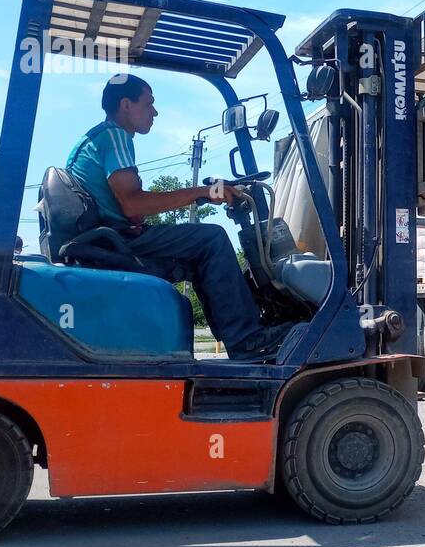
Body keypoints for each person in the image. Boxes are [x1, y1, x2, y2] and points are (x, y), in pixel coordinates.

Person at [66, 73, 290, 361]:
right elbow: (133, 203)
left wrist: (199, 193)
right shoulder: (114, 135)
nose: (155, 112)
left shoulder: (97, 140)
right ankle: (246, 338)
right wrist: (204, 192)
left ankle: (241, 339)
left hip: (107, 237)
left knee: (199, 255)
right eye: (149, 104)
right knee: (211, 238)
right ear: (125, 104)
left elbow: (124, 204)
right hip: (112, 241)